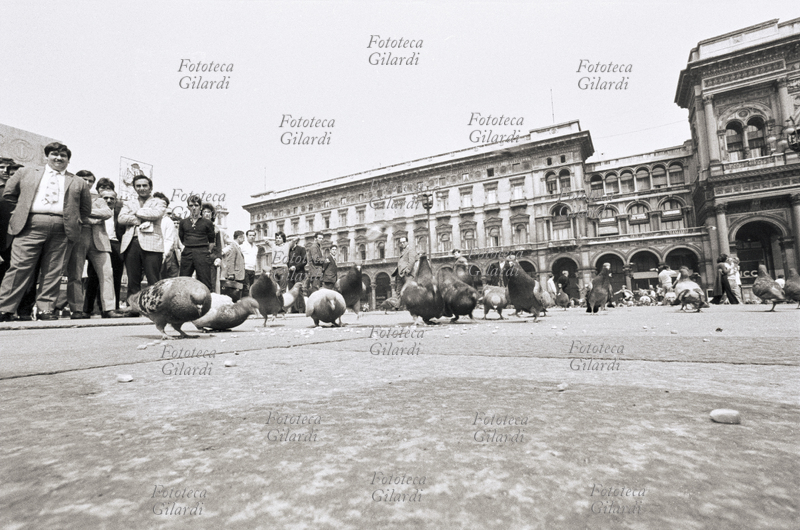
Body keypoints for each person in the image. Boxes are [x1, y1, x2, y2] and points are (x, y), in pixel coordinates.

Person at [0, 143, 91, 321]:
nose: (58, 158)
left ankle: (45, 309)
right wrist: (21, 214)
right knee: (19, 267)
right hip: (30, 224)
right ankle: (5, 308)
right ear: (46, 157)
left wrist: (73, 220)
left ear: (68, 159)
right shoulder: (25, 172)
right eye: (54, 154)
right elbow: (9, 196)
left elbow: (85, 209)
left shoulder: (78, 182)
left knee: (54, 270)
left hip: (62, 227)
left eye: (63, 155)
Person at [65, 170, 123, 319]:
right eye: (84, 179)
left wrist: (83, 214)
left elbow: (107, 213)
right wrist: (93, 218)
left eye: (90, 180)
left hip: (100, 240)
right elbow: (69, 211)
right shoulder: (71, 195)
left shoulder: (99, 198)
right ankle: (77, 309)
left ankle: (109, 308)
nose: (87, 183)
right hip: (79, 237)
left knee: (107, 274)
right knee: (76, 274)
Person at [119, 174, 166, 312]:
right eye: (138, 186)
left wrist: (135, 213)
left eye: (144, 185)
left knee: (153, 279)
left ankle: (156, 309)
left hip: (152, 244)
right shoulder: (129, 203)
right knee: (133, 280)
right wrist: (138, 219)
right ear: (134, 188)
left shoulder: (159, 201)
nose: (141, 188)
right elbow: (121, 219)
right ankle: (133, 309)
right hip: (131, 243)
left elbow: (156, 214)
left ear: (150, 187)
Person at [84, 187, 126, 314]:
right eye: (105, 198)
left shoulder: (119, 212)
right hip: (93, 241)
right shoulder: (95, 207)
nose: (108, 200)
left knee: (112, 277)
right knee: (92, 278)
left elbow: (109, 215)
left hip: (113, 244)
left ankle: (111, 309)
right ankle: (85, 309)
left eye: (111, 198)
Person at [178, 195, 215, 291]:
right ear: (188, 207)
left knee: (205, 281)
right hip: (187, 252)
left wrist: (206, 252)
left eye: (196, 205)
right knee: (183, 280)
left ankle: (207, 303)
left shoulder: (207, 223)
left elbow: (211, 241)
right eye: (191, 205)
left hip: (202, 252)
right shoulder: (183, 222)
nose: (194, 208)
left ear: (201, 207)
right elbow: (181, 238)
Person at [221, 230, 245, 302]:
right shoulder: (233, 246)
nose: (244, 240)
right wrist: (231, 273)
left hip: (237, 274)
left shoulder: (236, 246)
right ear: (239, 237)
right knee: (233, 294)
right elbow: (230, 261)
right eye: (243, 238)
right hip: (234, 275)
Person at [288, 241, 307, 312]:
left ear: (295, 242)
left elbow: (305, 261)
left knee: (299, 290)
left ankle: (301, 309)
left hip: (299, 272)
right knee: (291, 290)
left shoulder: (301, 249)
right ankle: (294, 309)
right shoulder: (288, 250)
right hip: (290, 273)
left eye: (290, 241)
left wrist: (295, 267)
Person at [240, 229, 258, 297]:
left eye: (253, 235)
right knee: (246, 288)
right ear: (247, 236)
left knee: (251, 288)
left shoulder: (255, 247)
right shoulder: (242, 246)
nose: (252, 237)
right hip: (245, 269)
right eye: (250, 235)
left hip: (252, 270)